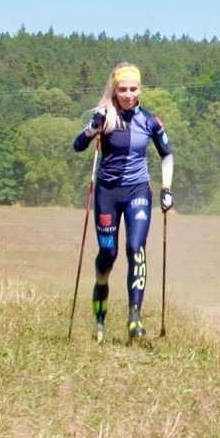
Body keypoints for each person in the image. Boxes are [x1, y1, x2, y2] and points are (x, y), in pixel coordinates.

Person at [73, 63, 174, 344]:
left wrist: (166, 189)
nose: (128, 94)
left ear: (140, 89)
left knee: (135, 248)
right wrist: (93, 129)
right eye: (123, 89)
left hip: (138, 191)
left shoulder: (150, 120)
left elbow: (167, 155)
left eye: (133, 89)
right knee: (108, 254)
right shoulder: (104, 116)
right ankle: (100, 310)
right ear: (115, 91)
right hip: (107, 192)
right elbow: (78, 145)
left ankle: (134, 317)